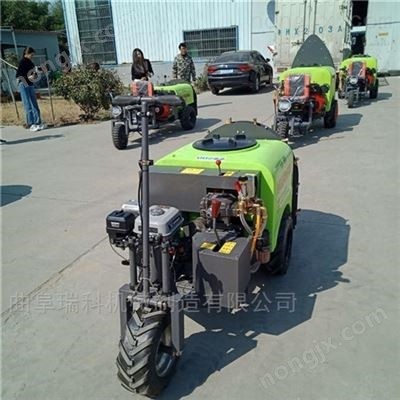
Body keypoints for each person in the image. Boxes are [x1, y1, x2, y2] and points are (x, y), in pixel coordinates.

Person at [16, 47, 45, 132]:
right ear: (26, 54)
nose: (32, 57)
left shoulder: (31, 63)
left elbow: (33, 73)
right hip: (23, 83)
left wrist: (36, 74)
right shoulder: (22, 62)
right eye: (31, 55)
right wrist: (28, 77)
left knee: (34, 103)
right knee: (27, 104)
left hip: (30, 84)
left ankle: (38, 122)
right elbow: (18, 76)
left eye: (33, 55)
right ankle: (31, 123)